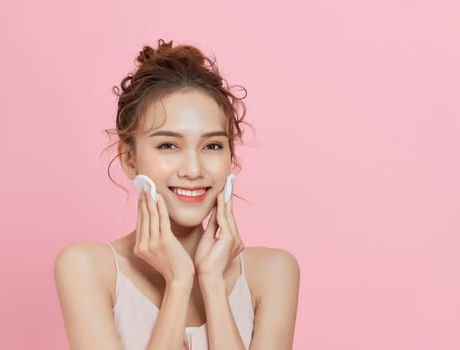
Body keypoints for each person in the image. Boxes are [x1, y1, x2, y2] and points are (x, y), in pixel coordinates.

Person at [54, 39, 299, 350]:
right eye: (168, 145)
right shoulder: (88, 268)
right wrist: (179, 283)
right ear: (130, 160)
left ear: (231, 159)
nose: (193, 169)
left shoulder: (272, 273)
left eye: (212, 146)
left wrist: (211, 284)